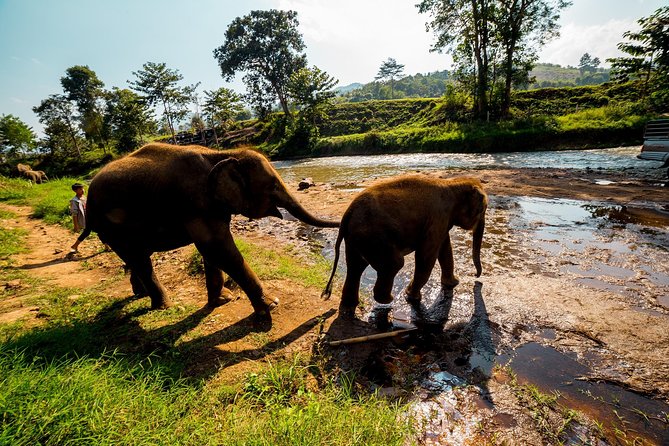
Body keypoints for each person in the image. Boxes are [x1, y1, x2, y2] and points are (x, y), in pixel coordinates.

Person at [69, 182, 90, 254]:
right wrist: (76, 225)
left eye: (83, 188)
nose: (83, 190)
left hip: (89, 218)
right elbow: (74, 214)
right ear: (75, 191)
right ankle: (74, 246)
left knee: (96, 231)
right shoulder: (74, 201)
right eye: (80, 189)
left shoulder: (85, 198)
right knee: (88, 231)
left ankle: (75, 246)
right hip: (84, 219)